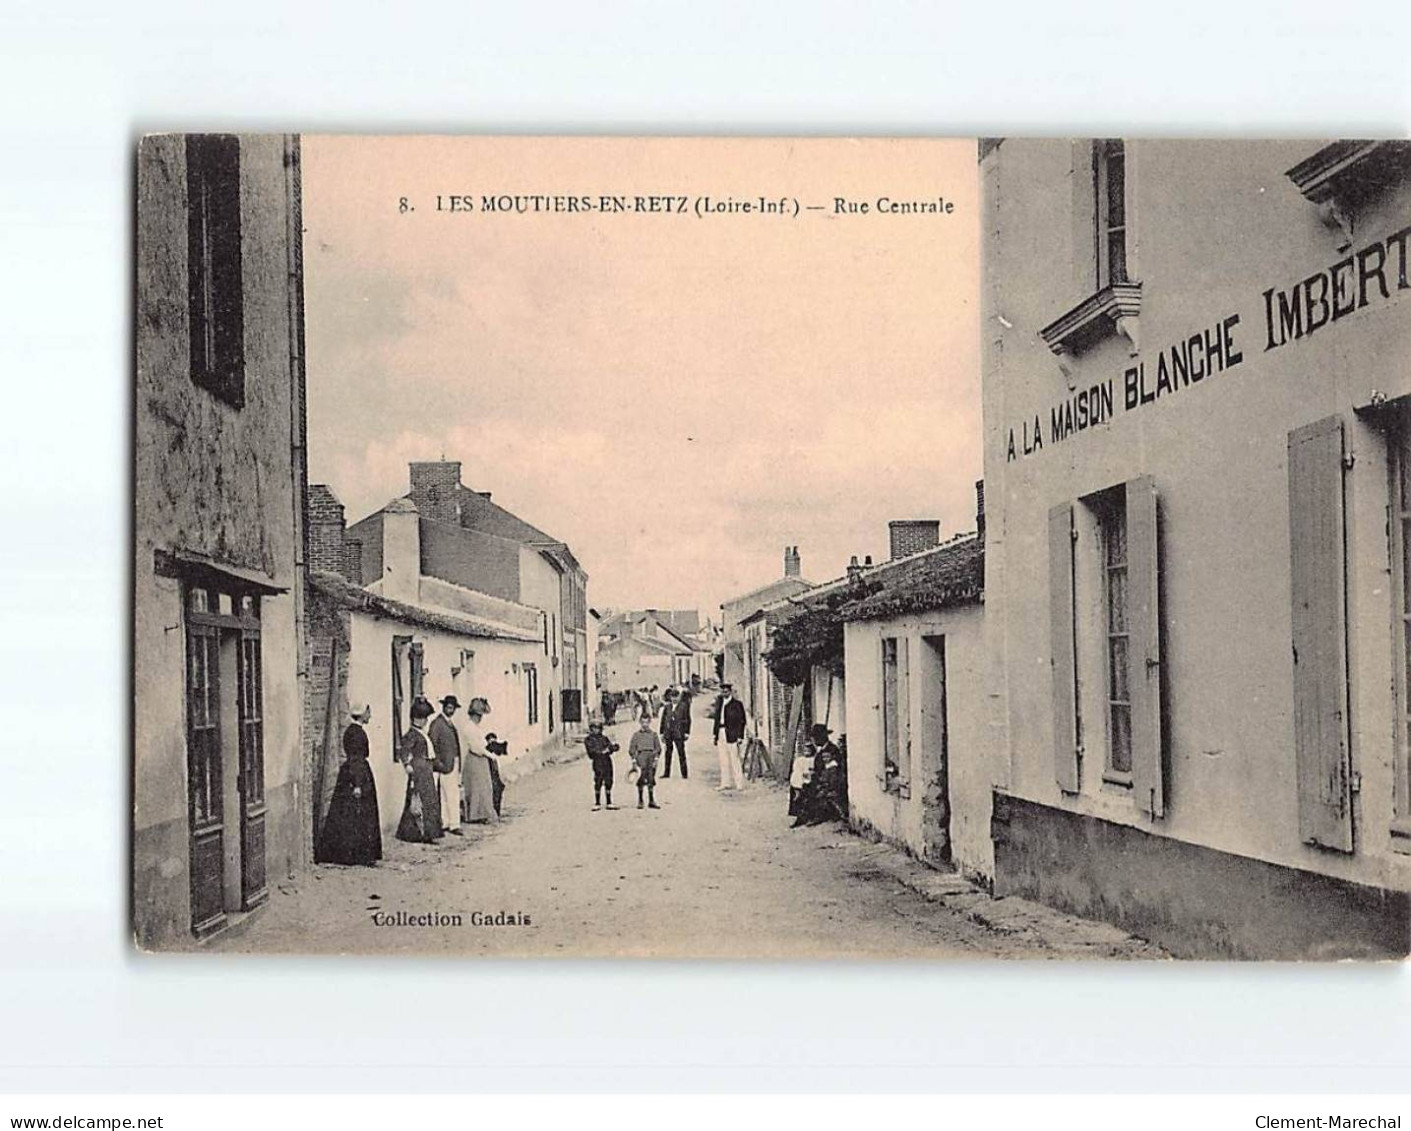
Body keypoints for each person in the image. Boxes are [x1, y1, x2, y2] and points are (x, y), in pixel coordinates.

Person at [315, 703, 382, 865]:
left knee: (350, 813)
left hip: (354, 774)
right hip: (356, 775)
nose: (370, 715)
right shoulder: (356, 733)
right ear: (361, 714)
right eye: (368, 712)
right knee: (357, 813)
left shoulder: (354, 731)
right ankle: (355, 854)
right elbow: (355, 759)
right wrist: (357, 784)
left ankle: (353, 853)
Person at [396, 697, 442, 843]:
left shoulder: (421, 733)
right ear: (417, 719)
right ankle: (423, 833)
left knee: (428, 800)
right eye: (423, 718)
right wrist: (407, 764)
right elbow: (404, 750)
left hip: (426, 768)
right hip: (419, 769)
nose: (425, 721)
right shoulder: (412, 734)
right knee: (421, 801)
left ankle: (424, 832)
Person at [792, 723, 846, 827]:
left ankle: (815, 815)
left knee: (809, 786)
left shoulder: (832, 750)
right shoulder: (821, 749)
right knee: (797, 783)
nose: (814, 741)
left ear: (822, 737)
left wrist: (817, 776)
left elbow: (832, 769)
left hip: (830, 779)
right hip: (821, 776)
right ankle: (800, 815)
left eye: (815, 738)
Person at [458, 697, 499, 823]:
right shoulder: (469, 728)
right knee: (477, 788)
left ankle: (482, 813)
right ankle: (475, 815)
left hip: (480, 759)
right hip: (475, 759)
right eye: (479, 715)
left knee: (484, 786)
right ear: (474, 715)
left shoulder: (475, 727)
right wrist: (490, 755)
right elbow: (476, 747)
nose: (480, 718)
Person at [429, 695, 463, 836]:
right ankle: (454, 824)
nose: (451, 709)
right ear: (444, 707)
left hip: (452, 763)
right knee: (450, 794)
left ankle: (446, 822)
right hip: (445, 765)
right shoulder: (437, 724)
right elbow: (432, 745)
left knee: (447, 794)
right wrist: (439, 764)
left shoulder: (449, 723)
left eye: (452, 707)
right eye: (448, 707)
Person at [714, 684, 747, 791]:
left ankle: (739, 783)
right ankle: (725, 783)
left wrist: (740, 736)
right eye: (723, 691)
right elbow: (716, 720)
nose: (725, 693)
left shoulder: (737, 704)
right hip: (721, 732)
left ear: (730, 692)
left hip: (732, 734)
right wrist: (715, 735)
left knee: (734, 759)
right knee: (723, 759)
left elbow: (742, 721)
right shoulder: (719, 704)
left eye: (726, 691)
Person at [628, 713, 662, 809]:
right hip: (641, 757)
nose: (645, 724)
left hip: (651, 757)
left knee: (651, 778)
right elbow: (632, 749)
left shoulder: (653, 735)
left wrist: (655, 759)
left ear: (650, 722)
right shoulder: (636, 735)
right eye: (643, 722)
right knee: (641, 778)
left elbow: (658, 748)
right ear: (640, 722)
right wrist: (634, 760)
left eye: (647, 722)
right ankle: (640, 800)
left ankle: (651, 800)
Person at [584, 721, 620, 810]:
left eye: (598, 728)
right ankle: (597, 802)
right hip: (598, 762)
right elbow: (591, 752)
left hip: (607, 761)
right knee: (598, 780)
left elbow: (613, 748)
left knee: (609, 780)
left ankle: (609, 802)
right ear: (591, 729)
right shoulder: (588, 740)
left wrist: (613, 746)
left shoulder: (604, 738)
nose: (596, 730)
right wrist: (601, 752)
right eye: (594, 728)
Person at [662, 684, 691, 779]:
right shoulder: (667, 707)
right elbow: (663, 720)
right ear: (670, 697)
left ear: (679, 697)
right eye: (672, 697)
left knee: (681, 753)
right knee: (668, 753)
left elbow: (687, 719)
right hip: (669, 733)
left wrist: (687, 732)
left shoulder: (684, 706)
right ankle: (666, 773)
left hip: (679, 733)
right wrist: (662, 733)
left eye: (676, 697)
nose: (674, 699)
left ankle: (684, 774)